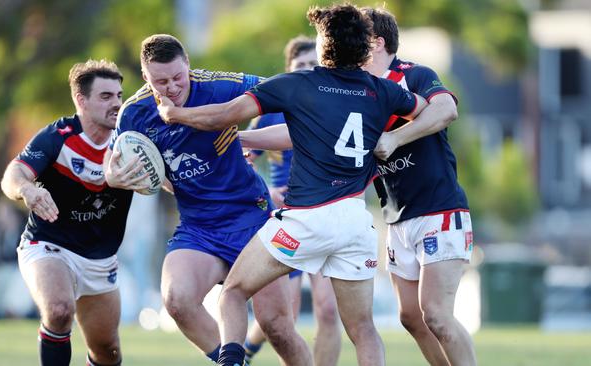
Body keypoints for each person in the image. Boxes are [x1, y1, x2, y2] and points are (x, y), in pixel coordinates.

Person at [156, 4, 435, 365]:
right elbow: (425, 106)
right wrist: (395, 139)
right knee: (363, 329)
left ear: (324, 46)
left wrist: (174, 114)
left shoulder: (298, 84)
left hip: (306, 220)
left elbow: (222, 117)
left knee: (235, 294)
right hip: (355, 221)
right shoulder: (382, 91)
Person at [103, 34, 312, 365]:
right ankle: (233, 361)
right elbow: (113, 162)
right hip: (199, 227)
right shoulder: (135, 114)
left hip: (251, 218)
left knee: (278, 328)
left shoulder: (217, 86)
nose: (171, 88)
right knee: (177, 300)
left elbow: (280, 91)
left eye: (177, 77)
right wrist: (114, 176)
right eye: (161, 81)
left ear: (188, 65)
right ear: (145, 78)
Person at [362, 7, 477, 365]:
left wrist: (396, 138)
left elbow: (446, 110)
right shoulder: (358, 91)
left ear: (377, 43)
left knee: (437, 315)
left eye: (356, 39)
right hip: (397, 216)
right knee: (410, 317)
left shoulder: (413, 75)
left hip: (438, 210)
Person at [0, 59, 132, 366]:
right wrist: (28, 190)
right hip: (49, 245)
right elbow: (13, 175)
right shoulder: (58, 136)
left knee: (107, 351)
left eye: (119, 96)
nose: (116, 104)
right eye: (106, 96)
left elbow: (164, 178)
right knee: (59, 311)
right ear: (80, 100)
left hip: (101, 260)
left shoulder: (130, 140)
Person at [243, 35, 342, 366]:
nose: (307, 70)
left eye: (313, 64)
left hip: (328, 216)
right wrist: (266, 191)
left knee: (329, 310)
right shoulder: (270, 113)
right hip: (287, 220)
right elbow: (239, 161)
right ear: (288, 71)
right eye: (299, 65)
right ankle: (247, 348)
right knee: (285, 315)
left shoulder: (336, 107)